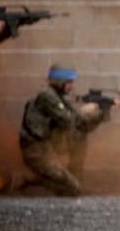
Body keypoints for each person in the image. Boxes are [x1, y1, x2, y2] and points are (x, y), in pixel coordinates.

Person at [17, 64, 114, 196]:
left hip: (48, 146)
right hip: (36, 150)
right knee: (72, 189)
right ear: (59, 82)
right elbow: (70, 121)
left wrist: (102, 113)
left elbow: (82, 126)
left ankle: (74, 178)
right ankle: (28, 181)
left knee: (79, 134)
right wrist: (87, 110)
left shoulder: (57, 97)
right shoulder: (47, 95)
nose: (71, 86)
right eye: (69, 82)